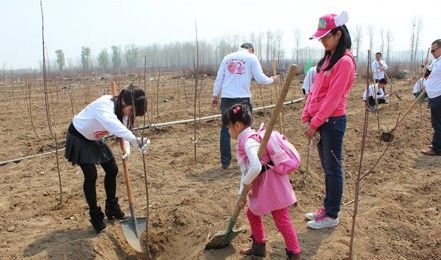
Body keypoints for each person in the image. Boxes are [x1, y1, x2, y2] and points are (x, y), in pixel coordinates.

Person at [65, 84, 150, 233]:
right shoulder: (104, 106)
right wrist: (135, 139)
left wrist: (128, 150)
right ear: (126, 103)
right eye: (132, 111)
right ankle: (96, 216)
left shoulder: (122, 110)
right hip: (79, 136)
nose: (131, 116)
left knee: (112, 169)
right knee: (91, 175)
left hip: (93, 138)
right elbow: (114, 125)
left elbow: (123, 130)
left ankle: (111, 207)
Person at [222, 103, 301, 260]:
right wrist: (241, 193)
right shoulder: (248, 136)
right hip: (267, 183)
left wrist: (245, 182)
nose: (228, 131)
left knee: (281, 219)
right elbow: (247, 169)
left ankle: (294, 253)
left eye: (228, 127)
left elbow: (255, 167)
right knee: (252, 213)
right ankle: (259, 246)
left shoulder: (248, 141)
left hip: (271, 184)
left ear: (237, 125)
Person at [302, 11, 356, 229]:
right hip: (321, 120)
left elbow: (332, 99)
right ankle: (327, 207)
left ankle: (332, 215)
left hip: (332, 122)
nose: (322, 41)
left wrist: (314, 123)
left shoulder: (344, 62)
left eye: (326, 37)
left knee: (333, 168)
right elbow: (314, 91)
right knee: (327, 167)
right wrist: (306, 115)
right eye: (321, 38)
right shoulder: (327, 60)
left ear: (339, 34)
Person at [212, 43, 279, 169]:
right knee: (246, 129)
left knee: (226, 128)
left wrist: (215, 96)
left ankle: (225, 162)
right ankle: (249, 159)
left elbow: (219, 78)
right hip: (242, 98)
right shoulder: (251, 57)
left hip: (226, 98)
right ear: (251, 50)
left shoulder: (227, 58)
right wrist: (272, 80)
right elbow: (260, 78)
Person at [421, 39, 441, 156]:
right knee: (438, 122)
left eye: (434, 50)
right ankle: (438, 143)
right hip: (433, 96)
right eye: (431, 50)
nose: (432, 52)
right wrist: (427, 65)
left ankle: (437, 148)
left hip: (438, 97)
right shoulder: (437, 60)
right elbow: (429, 72)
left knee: (437, 123)